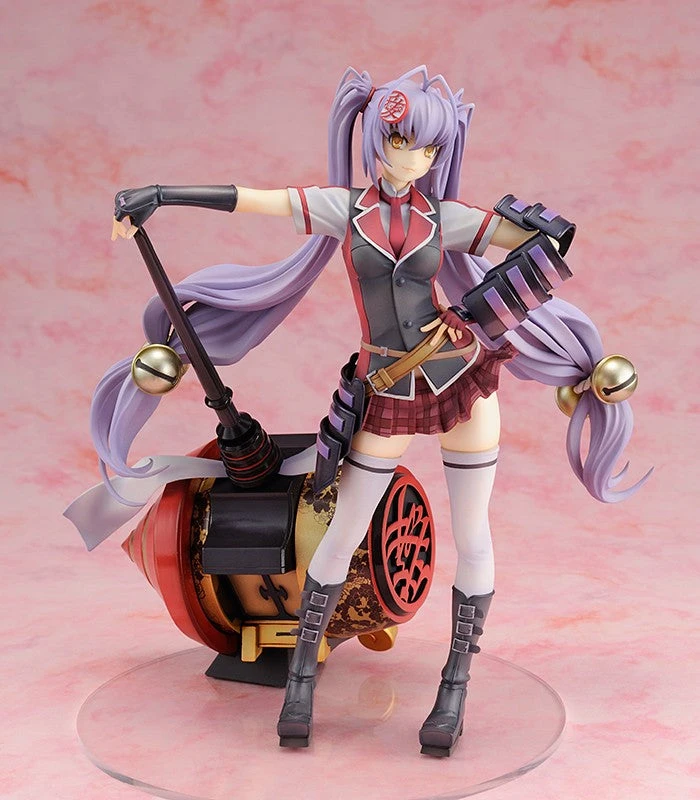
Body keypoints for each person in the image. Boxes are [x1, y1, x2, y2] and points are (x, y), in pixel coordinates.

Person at [95, 66, 648, 757]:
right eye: (399, 141)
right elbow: (253, 200)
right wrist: (163, 194)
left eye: (426, 147)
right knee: (343, 529)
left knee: (472, 533)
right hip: (385, 387)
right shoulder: (343, 210)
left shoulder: (447, 219)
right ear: (375, 141)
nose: (411, 158)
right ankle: (301, 679)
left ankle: (453, 688)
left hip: (460, 379)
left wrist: (480, 312)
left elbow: (551, 243)